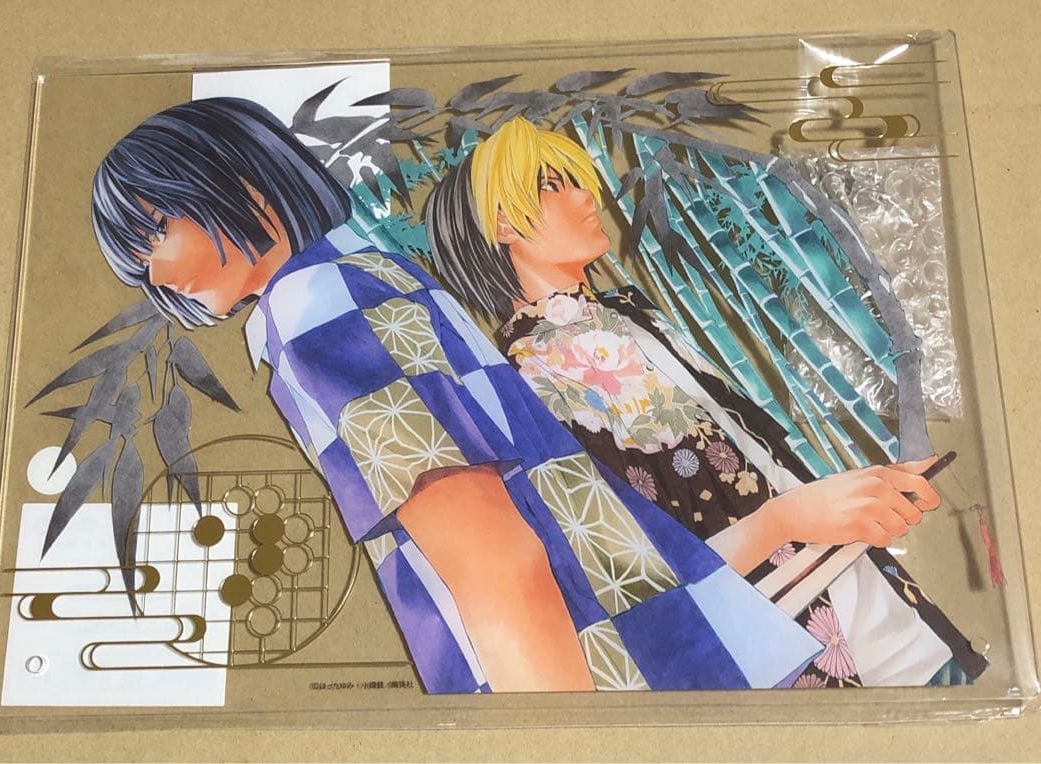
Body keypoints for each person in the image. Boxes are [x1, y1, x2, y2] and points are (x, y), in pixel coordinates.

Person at [90, 97, 828, 694]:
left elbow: (487, 551)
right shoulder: (372, 272)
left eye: (156, 230)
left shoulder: (313, 312)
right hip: (657, 646)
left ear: (243, 184)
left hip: (583, 675)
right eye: (137, 257)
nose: (155, 274)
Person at [425, 116, 986, 687]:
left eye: (577, 180)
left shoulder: (627, 313)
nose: (584, 196)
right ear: (502, 224)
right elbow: (629, 572)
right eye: (552, 186)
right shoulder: (529, 379)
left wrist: (856, 493)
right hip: (780, 638)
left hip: (863, 589)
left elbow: (747, 446)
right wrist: (785, 519)